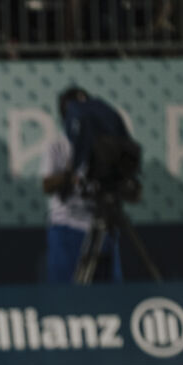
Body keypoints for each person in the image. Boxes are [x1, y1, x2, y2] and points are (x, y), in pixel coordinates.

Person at [39, 86, 124, 284]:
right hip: (67, 227)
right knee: (66, 291)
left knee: (110, 290)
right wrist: (71, 174)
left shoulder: (104, 146)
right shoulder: (57, 146)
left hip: (101, 226)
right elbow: (47, 185)